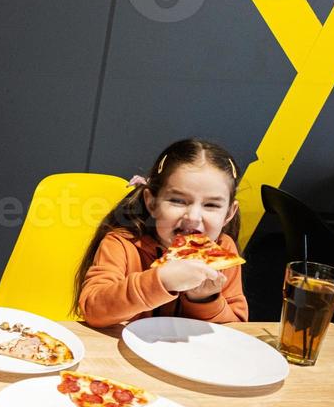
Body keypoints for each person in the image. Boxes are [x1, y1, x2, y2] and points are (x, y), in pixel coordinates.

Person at [75, 138, 248, 326]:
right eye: (178, 201)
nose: (193, 216)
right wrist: (160, 281)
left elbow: (237, 329)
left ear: (229, 213)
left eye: (211, 205)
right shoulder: (122, 244)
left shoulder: (223, 250)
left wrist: (205, 300)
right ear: (152, 203)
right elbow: (93, 310)